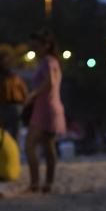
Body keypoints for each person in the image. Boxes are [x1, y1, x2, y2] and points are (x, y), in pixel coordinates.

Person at [23, 30, 66, 193]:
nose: (34, 49)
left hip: (45, 107)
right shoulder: (51, 61)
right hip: (50, 106)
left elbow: (50, 82)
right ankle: (48, 183)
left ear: (46, 45)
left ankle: (35, 183)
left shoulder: (47, 61)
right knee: (48, 145)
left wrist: (32, 95)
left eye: (36, 46)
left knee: (29, 145)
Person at [0, 58, 28, 142]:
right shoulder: (15, 78)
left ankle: (7, 151)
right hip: (16, 108)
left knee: (4, 135)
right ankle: (14, 152)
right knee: (15, 135)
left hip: (4, 108)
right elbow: (24, 92)